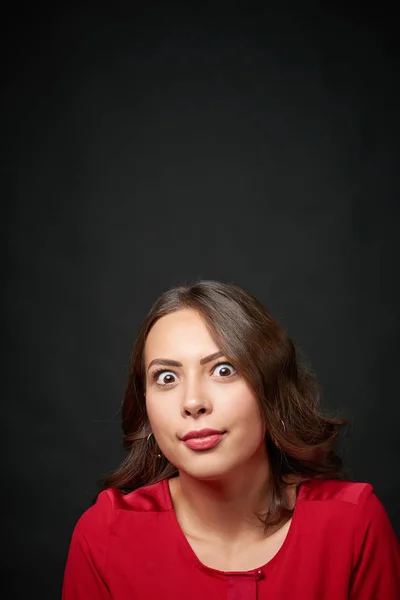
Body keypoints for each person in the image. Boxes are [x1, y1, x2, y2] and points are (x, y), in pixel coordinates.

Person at [62, 280, 400, 599]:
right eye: (166, 377)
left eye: (224, 369)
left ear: (272, 390)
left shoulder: (352, 524)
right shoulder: (105, 536)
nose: (193, 402)